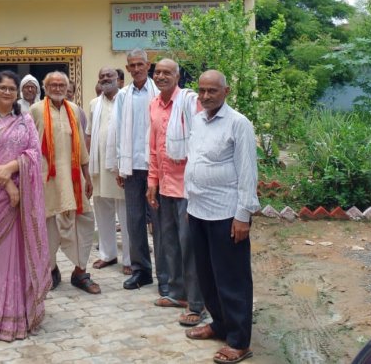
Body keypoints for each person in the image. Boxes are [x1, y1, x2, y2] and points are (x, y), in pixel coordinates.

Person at [184, 70, 260, 364]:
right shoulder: (197, 119)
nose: (205, 96)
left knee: (232, 278)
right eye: (201, 90)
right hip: (199, 211)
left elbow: (247, 172)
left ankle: (240, 341)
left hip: (227, 214)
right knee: (208, 275)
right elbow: (196, 161)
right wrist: (191, 204)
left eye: (212, 91)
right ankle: (219, 324)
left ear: (225, 92)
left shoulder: (238, 124)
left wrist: (243, 216)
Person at [0, 71, 50, 341]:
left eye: (11, 88)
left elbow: (34, 154)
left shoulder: (24, 120)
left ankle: (21, 311)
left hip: (20, 199)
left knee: (17, 253)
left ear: (17, 92)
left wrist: (14, 167)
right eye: (2, 88)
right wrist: (8, 183)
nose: (6, 92)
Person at [145, 59, 205, 325]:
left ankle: (196, 303)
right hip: (165, 187)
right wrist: (152, 182)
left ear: (178, 76)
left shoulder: (192, 103)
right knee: (168, 241)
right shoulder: (154, 105)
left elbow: (201, 144)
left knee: (189, 245)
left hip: (187, 188)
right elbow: (154, 148)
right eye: (157, 72)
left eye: (167, 72)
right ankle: (177, 293)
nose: (161, 76)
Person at [30, 71, 100, 294]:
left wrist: (87, 175)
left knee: (84, 220)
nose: (58, 88)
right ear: (45, 87)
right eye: (53, 84)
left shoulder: (74, 110)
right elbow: (29, 146)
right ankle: (50, 270)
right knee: (47, 224)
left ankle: (80, 272)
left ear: (67, 87)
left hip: (73, 178)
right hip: (45, 177)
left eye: (62, 84)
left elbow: (80, 145)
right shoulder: (36, 110)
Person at [109, 48, 168, 294]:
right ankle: (141, 272)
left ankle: (165, 276)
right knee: (133, 222)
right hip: (132, 168)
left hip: (157, 168)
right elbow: (117, 130)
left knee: (160, 223)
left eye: (139, 65)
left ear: (148, 65)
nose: (135, 69)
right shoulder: (124, 95)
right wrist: (119, 167)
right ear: (127, 67)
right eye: (131, 65)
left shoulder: (160, 93)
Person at [85, 67, 130, 275]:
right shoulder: (94, 103)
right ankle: (107, 254)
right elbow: (88, 135)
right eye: (101, 76)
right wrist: (86, 166)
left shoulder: (127, 99)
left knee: (125, 213)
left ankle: (130, 259)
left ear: (119, 80)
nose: (105, 79)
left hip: (120, 167)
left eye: (109, 76)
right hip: (98, 166)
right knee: (102, 211)